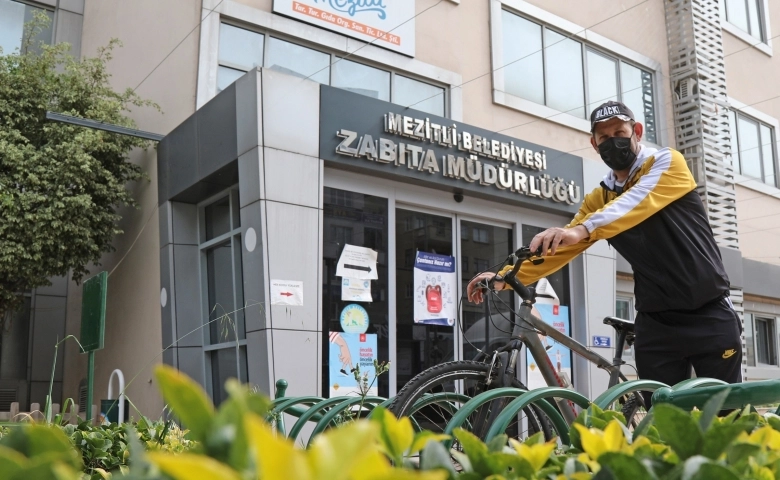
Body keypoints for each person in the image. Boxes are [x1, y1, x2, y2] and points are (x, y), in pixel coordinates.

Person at [467, 100, 743, 397]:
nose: (614, 142)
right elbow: (560, 248)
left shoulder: (667, 163)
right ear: (594, 144)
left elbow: (635, 202)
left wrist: (581, 229)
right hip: (656, 322)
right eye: (604, 137)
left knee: (728, 417)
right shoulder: (599, 199)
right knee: (663, 420)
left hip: (709, 312)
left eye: (620, 132)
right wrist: (502, 277)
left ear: (636, 131)